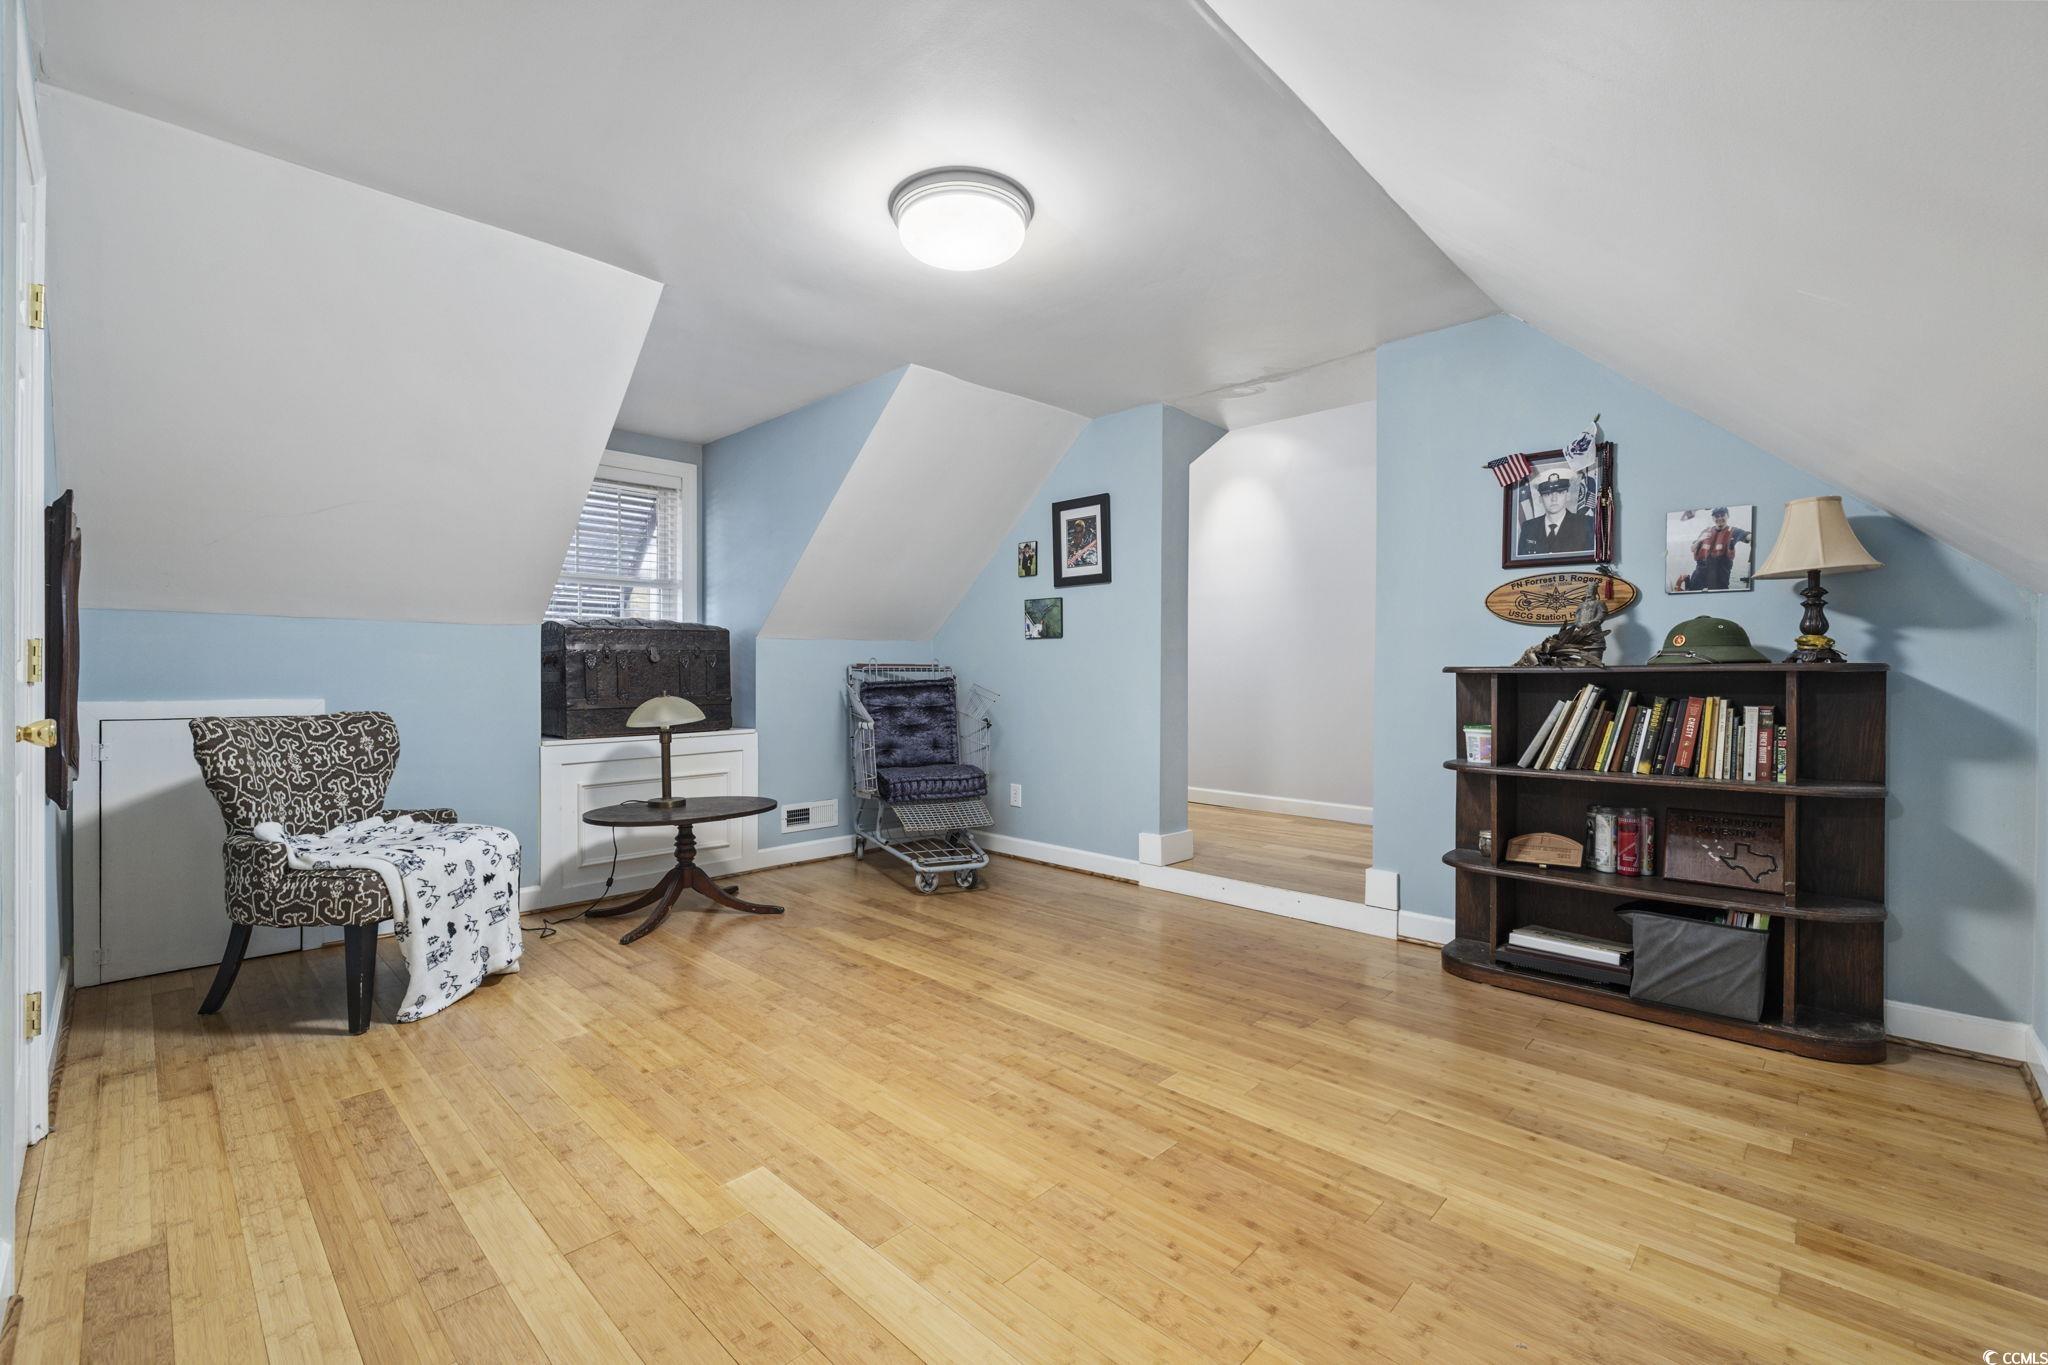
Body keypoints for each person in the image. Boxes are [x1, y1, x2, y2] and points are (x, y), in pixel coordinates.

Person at [1516, 468, 1592, 557]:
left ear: (1568, 496)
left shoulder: (1585, 524)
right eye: (1547, 494)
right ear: (1540, 499)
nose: (1553, 499)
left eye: (1559, 492)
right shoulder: (1528, 527)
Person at [1686, 506, 1751, 591]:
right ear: (1713, 518)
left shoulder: (1734, 532)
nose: (1719, 518)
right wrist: (1699, 540)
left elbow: (1747, 536)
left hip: (1719, 579)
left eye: (1722, 515)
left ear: (1727, 516)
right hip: (1699, 577)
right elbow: (1692, 549)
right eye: (1717, 516)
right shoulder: (1705, 531)